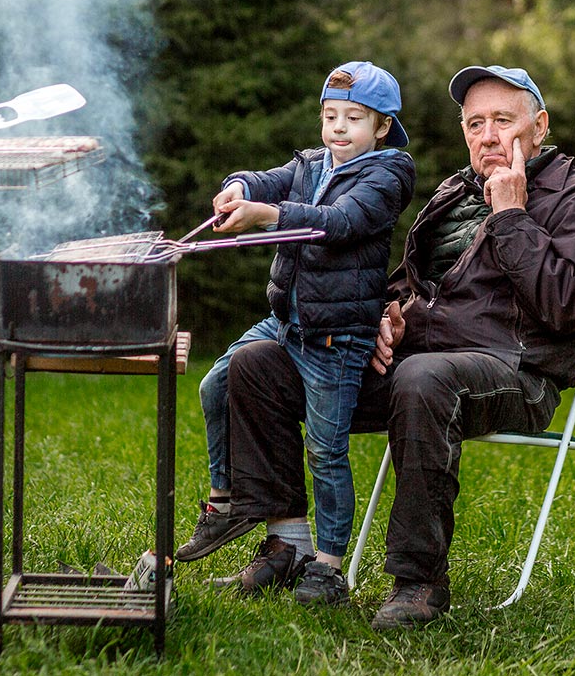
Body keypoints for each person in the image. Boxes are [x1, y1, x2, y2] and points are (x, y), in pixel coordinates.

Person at [214, 65, 575, 629]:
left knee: (424, 378)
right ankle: (288, 546)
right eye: (474, 122)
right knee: (259, 364)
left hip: (514, 373)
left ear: (539, 126)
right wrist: (386, 313)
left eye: (503, 120)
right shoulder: (454, 191)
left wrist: (510, 215)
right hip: (414, 365)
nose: (487, 136)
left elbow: (566, 305)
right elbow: (412, 281)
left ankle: (418, 581)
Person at [173, 61, 416, 605]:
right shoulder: (310, 163)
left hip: (337, 338)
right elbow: (266, 181)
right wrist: (238, 188)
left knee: (326, 452)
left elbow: (341, 222)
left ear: (381, 127)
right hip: (287, 322)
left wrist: (267, 215)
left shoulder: (389, 174)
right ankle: (226, 499)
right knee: (216, 384)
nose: (338, 126)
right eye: (330, 115)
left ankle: (327, 568)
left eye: (354, 117)